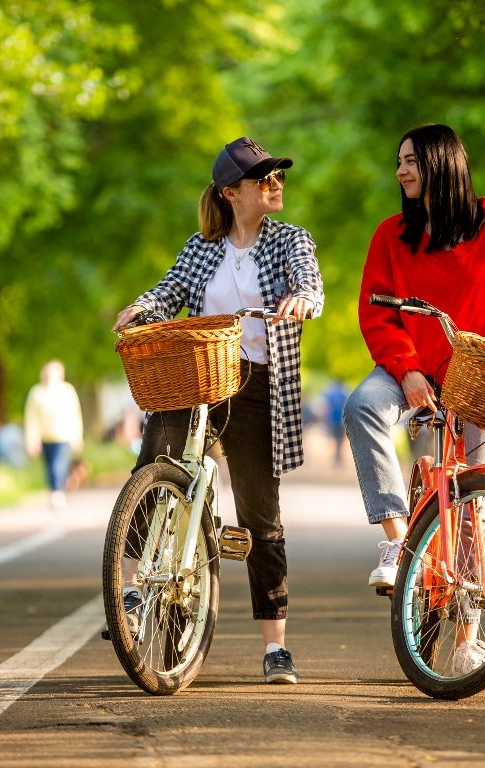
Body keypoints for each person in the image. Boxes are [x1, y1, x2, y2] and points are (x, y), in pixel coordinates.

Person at [111, 136, 324, 685]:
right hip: (199, 374)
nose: (276, 184)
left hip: (257, 383)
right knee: (154, 465)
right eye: (264, 178)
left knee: (260, 517)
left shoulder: (290, 240)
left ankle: (275, 646)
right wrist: (142, 306)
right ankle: (130, 589)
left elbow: (309, 282)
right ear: (231, 192)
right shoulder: (201, 248)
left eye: (278, 176)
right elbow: (170, 290)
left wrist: (303, 299)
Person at [343, 123, 485, 684]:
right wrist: (406, 367)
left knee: (473, 500)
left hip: (478, 373)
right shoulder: (390, 236)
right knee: (362, 407)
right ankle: (399, 544)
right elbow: (376, 313)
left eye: (411, 161)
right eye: (399, 162)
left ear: (441, 163)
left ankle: (467, 643)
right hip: (409, 368)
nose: (401, 171)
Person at [24, 360, 84, 509]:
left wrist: (77, 436)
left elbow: (74, 414)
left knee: (58, 465)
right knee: (50, 466)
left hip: (63, 436)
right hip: (45, 437)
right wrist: (32, 439)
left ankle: (57, 492)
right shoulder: (36, 392)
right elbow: (31, 418)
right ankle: (55, 490)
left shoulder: (67, 391)